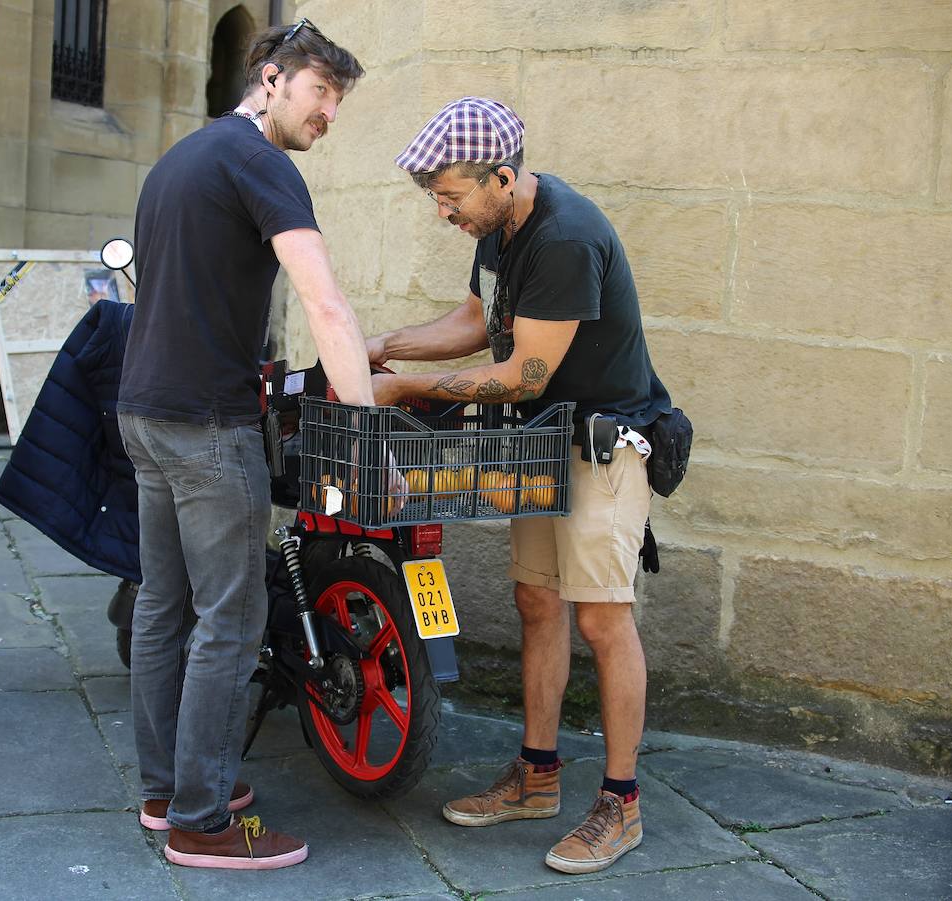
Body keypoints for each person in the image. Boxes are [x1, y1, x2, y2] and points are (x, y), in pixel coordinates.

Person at [369, 97, 673, 875]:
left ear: (501, 175)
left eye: (451, 197)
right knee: (537, 603)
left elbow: (522, 371)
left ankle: (621, 802)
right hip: (538, 442)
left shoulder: (565, 235)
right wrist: (380, 345)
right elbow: (478, 321)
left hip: (602, 444)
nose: (445, 214)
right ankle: (537, 777)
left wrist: (406, 391)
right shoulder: (499, 225)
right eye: (436, 198)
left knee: (604, 621)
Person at [117, 19, 375, 870]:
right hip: (206, 424)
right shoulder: (263, 164)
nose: (328, 113)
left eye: (338, 100)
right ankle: (200, 820)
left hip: (145, 411)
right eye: (318, 93)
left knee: (164, 605)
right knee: (230, 617)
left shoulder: (179, 159)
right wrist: (367, 434)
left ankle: (169, 791)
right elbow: (326, 303)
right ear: (270, 80)